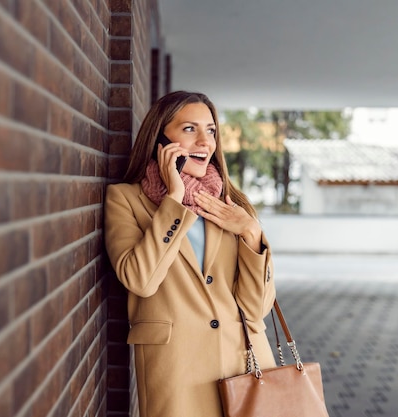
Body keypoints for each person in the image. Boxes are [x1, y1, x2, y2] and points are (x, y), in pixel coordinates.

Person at [104, 91, 276, 417]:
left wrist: (251, 235)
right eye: (189, 129)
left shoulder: (231, 204)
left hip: (244, 364)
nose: (204, 141)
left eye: (211, 130)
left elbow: (256, 309)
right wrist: (174, 200)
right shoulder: (125, 199)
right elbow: (140, 279)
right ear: (160, 139)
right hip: (177, 373)